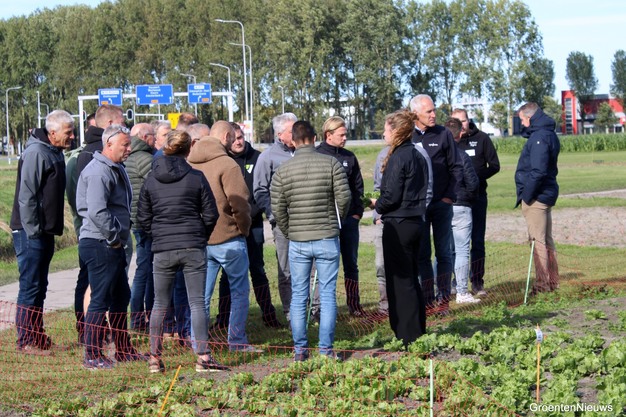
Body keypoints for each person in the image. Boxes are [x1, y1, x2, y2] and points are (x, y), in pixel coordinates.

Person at [136, 130, 227, 373]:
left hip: (163, 249)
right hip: (192, 246)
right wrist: (199, 236)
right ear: (188, 150)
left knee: (159, 304)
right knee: (197, 302)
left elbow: (142, 217)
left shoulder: (151, 179)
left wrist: (158, 235)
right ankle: (203, 357)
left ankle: (154, 358)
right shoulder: (196, 177)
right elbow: (211, 214)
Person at [271, 120, 351, 361]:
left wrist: (290, 230)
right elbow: (344, 198)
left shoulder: (283, 170)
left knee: (298, 295)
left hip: (298, 240)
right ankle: (326, 350)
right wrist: (336, 222)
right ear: (315, 138)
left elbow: (278, 208)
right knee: (327, 295)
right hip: (327, 236)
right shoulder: (331, 164)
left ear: (293, 141)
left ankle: (300, 351)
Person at [76, 124, 147, 369]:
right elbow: (97, 211)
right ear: (109, 144)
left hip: (111, 243)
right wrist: (115, 237)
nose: (129, 149)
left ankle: (124, 350)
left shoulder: (116, 168)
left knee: (121, 296)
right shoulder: (99, 172)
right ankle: (92, 354)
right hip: (100, 243)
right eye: (125, 145)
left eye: (129, 144)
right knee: (100, 299)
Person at [188, 121, 259, 352]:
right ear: (227, 136)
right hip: (228, 237)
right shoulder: (227, 164)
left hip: (200, 239)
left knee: (201, 297)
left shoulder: (190, 162)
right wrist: (243, 228)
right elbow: (240, 202)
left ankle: (198, 343)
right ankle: (237, 341)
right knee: (239, 292)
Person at [11, 110, 75, 355]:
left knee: (40, 285)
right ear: (53, 132)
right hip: (31, 232)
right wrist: (34, 231)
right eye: (68, 132)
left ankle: (38, 338)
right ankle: (26, 341)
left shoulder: (53, 151)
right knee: (30, 285)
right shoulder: (36, 152)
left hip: (43, 231)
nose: (72, 136)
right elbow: (26, 196)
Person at [213, 123, 282, 330]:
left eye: (241, 137)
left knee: (257, 269)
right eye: (234, 138)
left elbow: (262, 191)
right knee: (227, 274)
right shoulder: (223, 160)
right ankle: (222, 319)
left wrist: (250, 215)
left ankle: (269, 315)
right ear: (227, 139)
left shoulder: (257, 158)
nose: (238, 141)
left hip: (253, 225)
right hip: (230, 227)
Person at [374, 109, 429, 347]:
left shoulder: (399, 157)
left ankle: (408, 335)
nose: (384, 134)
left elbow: (392, 196)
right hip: (416, 221)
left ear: (396, 131)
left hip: (399, 224)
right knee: (412, 279)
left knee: (400, 281)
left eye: (386, 129)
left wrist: (376, 204)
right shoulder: (418, 155)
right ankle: (417, 329)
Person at [410, 94, 463, 314]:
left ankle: (443, 300)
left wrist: (449, 196)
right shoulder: (408, 135)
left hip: (441, 204)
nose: (433, 115)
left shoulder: (443, 134)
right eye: (429, 111)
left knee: (443, 253)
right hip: (418, 207)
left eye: (434, 110)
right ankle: (427, 300)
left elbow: (456, 167)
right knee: (422, 254)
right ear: (415, 114)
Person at [316, 116, 365, 316]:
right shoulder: (317, 155)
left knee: (351, 264)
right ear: (329, 135)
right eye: (341, 135)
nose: (345, 138)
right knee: (326, 265)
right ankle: (324, 308)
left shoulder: (349, 157)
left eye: (346, 135)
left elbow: (358, 188)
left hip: (349, 220)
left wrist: (357, 213)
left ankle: (354, 304)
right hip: (325, 221)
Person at [253, 112, 297, 321]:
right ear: (280, 134)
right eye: (291, 130)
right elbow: (260, 190)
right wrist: (274, 214)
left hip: (307, 221)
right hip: (283, 223)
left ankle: (314, 310)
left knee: (312, 268)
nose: (296, 133)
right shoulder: (267, 157)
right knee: (286, 268)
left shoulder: (305, 152)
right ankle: (290, 312)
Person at [451, 108, 500, 295]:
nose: (461, 125)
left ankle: (477, 281)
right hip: (457, 199)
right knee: (455, 243)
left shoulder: (482, 139)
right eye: (456, 121)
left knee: (477, 241)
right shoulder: (448, 142)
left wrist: (476, 178)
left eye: (463, 121)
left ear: (468, 120)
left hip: (478, 197)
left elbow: (494, 165)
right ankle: (456, 280)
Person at [515, 102, 560, 295]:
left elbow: (538, 171)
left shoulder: (539, 137)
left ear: (530, 117)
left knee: (537, 241)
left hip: (537, 197)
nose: (522, 124)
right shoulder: (548, 133)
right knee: (546, 240)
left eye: (522, 120)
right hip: (546, 193)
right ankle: (552, 282)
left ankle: (543, 285)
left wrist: (527, 195)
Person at [444, 118, 480, 304]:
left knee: (443, 250)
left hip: (442, 206)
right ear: (459, 134)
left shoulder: (436, 155)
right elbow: (473, 183)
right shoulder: (461, 155)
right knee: (462, 250)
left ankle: (441, 289)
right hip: (461, 205)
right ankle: (462, 291)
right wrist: (469, 198)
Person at [126, 123, 156, 332]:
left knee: (144, 269)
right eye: (153, 135)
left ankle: (140, 317)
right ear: (145, 137)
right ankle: (139, 317)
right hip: (146, 223)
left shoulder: (131, 156)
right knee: (145, 270)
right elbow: (159, 185)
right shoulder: (144, 159)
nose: (155, 139)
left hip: (136, 220)